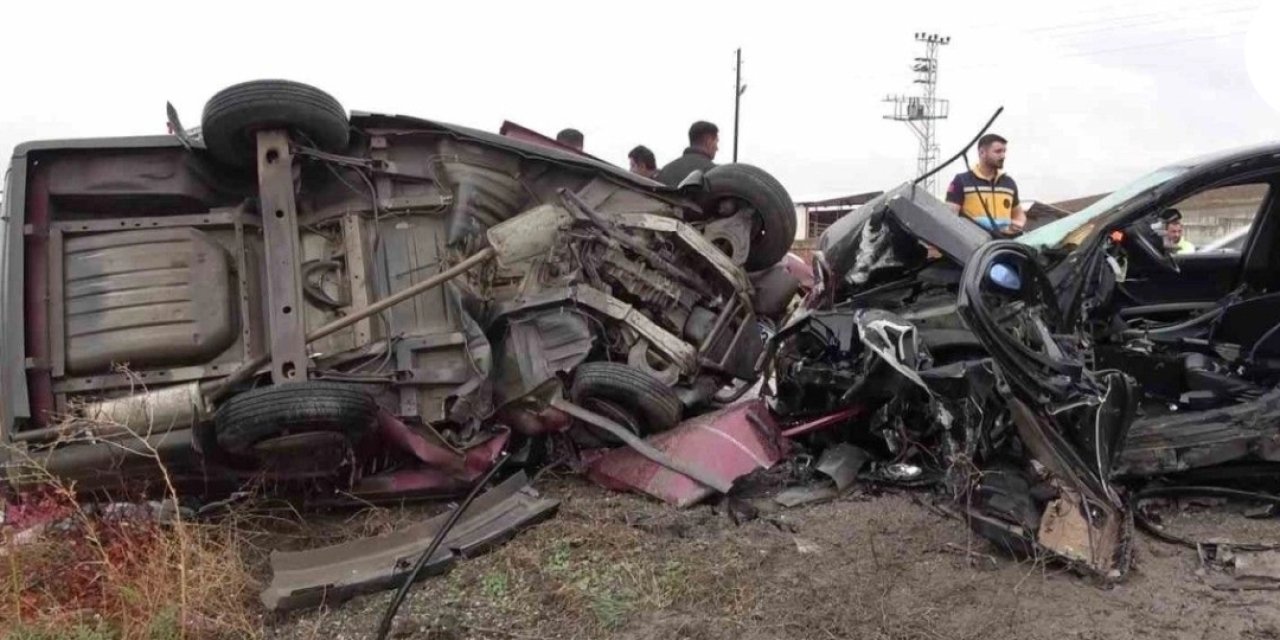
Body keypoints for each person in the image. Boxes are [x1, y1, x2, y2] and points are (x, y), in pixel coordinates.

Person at [946, 133, 1027, 236]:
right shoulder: (962, 181)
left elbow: (1019, 214)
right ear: (982, 152)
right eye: (998, 151)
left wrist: (1018, 223)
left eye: (1004, 151)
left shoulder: (1009, 183)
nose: (1003, 156)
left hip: (1003, 245)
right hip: (973, 247)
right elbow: (949, 217)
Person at [655, 121, 719, 187]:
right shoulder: (714, 173)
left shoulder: (665, 170)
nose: (717, 148)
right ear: (708, 140)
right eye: (716, 142)